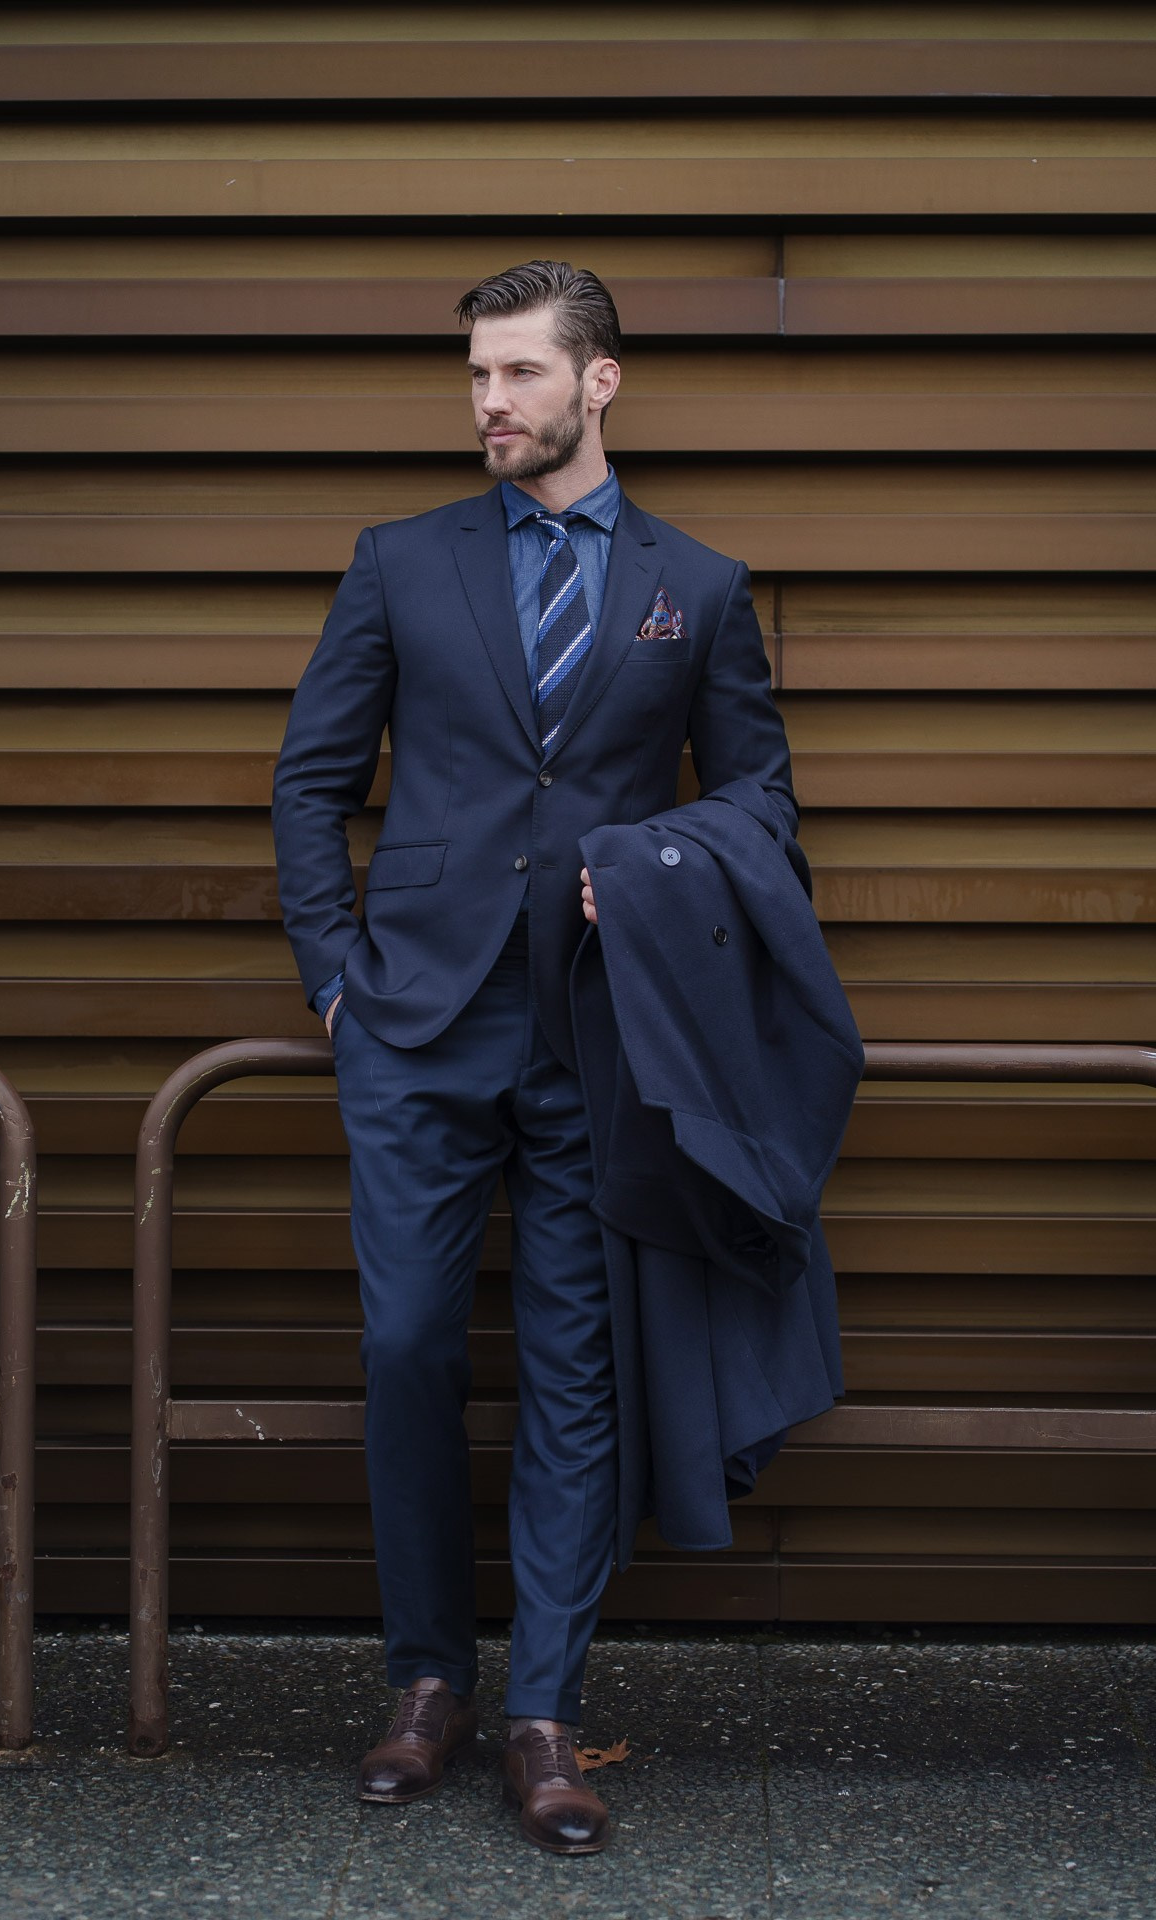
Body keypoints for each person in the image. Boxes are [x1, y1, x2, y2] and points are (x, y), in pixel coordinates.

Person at [271, 259, 798, 1856]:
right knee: (411, 1349)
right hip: (417, 1030)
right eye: (477, 378)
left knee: (577, 1375)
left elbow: (760, 801)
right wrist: (337, 991)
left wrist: (646, 866)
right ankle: (426, 1683)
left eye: (516, 374)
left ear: (600, 382)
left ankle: (545, 1714)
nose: (488, 403)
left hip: (601, 1035)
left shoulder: (695, 586)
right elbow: (308, 787)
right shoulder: (400, 562)